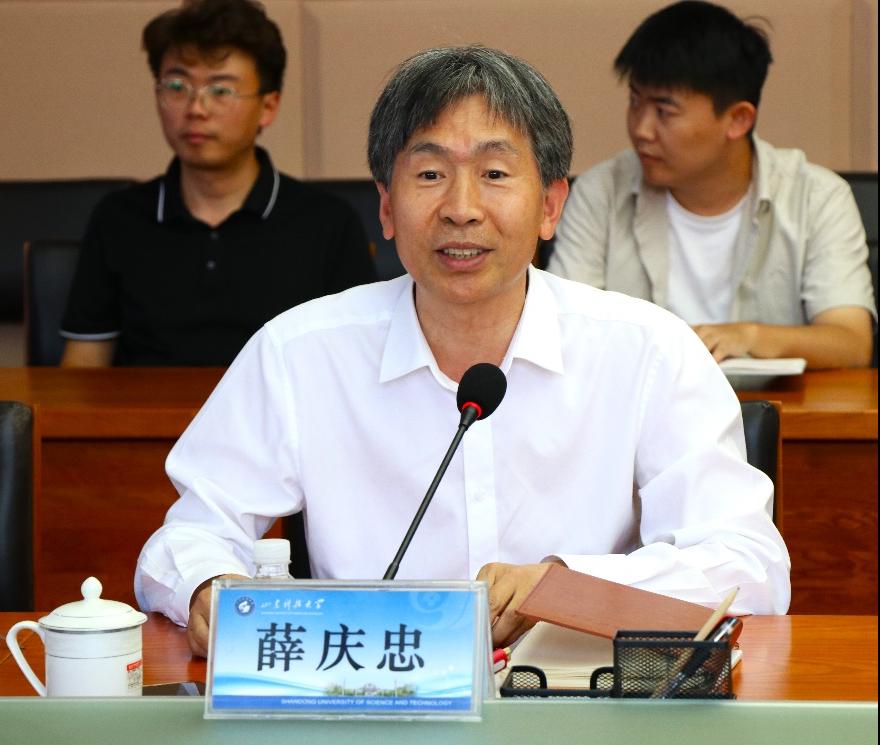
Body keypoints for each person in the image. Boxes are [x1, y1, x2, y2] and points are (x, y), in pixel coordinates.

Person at [135, 45, 790, 658]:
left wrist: (563, 587)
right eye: (429, 174)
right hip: (372, 693)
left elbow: (748, 565)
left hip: (580, 699)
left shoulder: (648, 351)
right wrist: (206, 587)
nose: (461, 208)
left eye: (495, 173)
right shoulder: (300, 352)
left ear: (551, 206)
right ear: (386, 207)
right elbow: (190, 534)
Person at [547, 0, 876, 369]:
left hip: (773, 405)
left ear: (738, 120)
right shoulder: (601, 192)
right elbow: (561, 331)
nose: (641, 129)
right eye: (635, 102)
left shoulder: (816, 197)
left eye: (664, 111)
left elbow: (851, 342)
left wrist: (748, 337)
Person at [60, 0, 376, 367]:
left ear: (268, 106)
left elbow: (355, 365)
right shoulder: (117, 219)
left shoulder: (328, 223)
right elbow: (84, 367)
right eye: (177, 86)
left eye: (221, 90)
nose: (196, 109)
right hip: (146, 408)